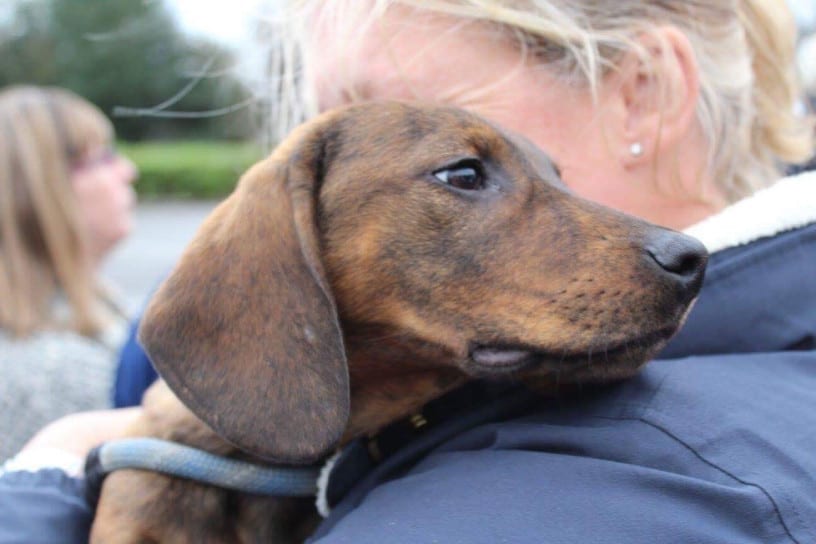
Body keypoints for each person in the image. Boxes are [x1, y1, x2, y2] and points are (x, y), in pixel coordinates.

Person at [2, 0, 816, 542]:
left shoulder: (586, 477)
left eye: (458, 165)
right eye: (467, 175)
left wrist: (40, 481)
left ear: (642, 91)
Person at [0, 86, 138, 462]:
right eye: (103, 158)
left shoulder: (99, 306)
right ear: (42, 189)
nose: (128, 170)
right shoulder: (50, 377)